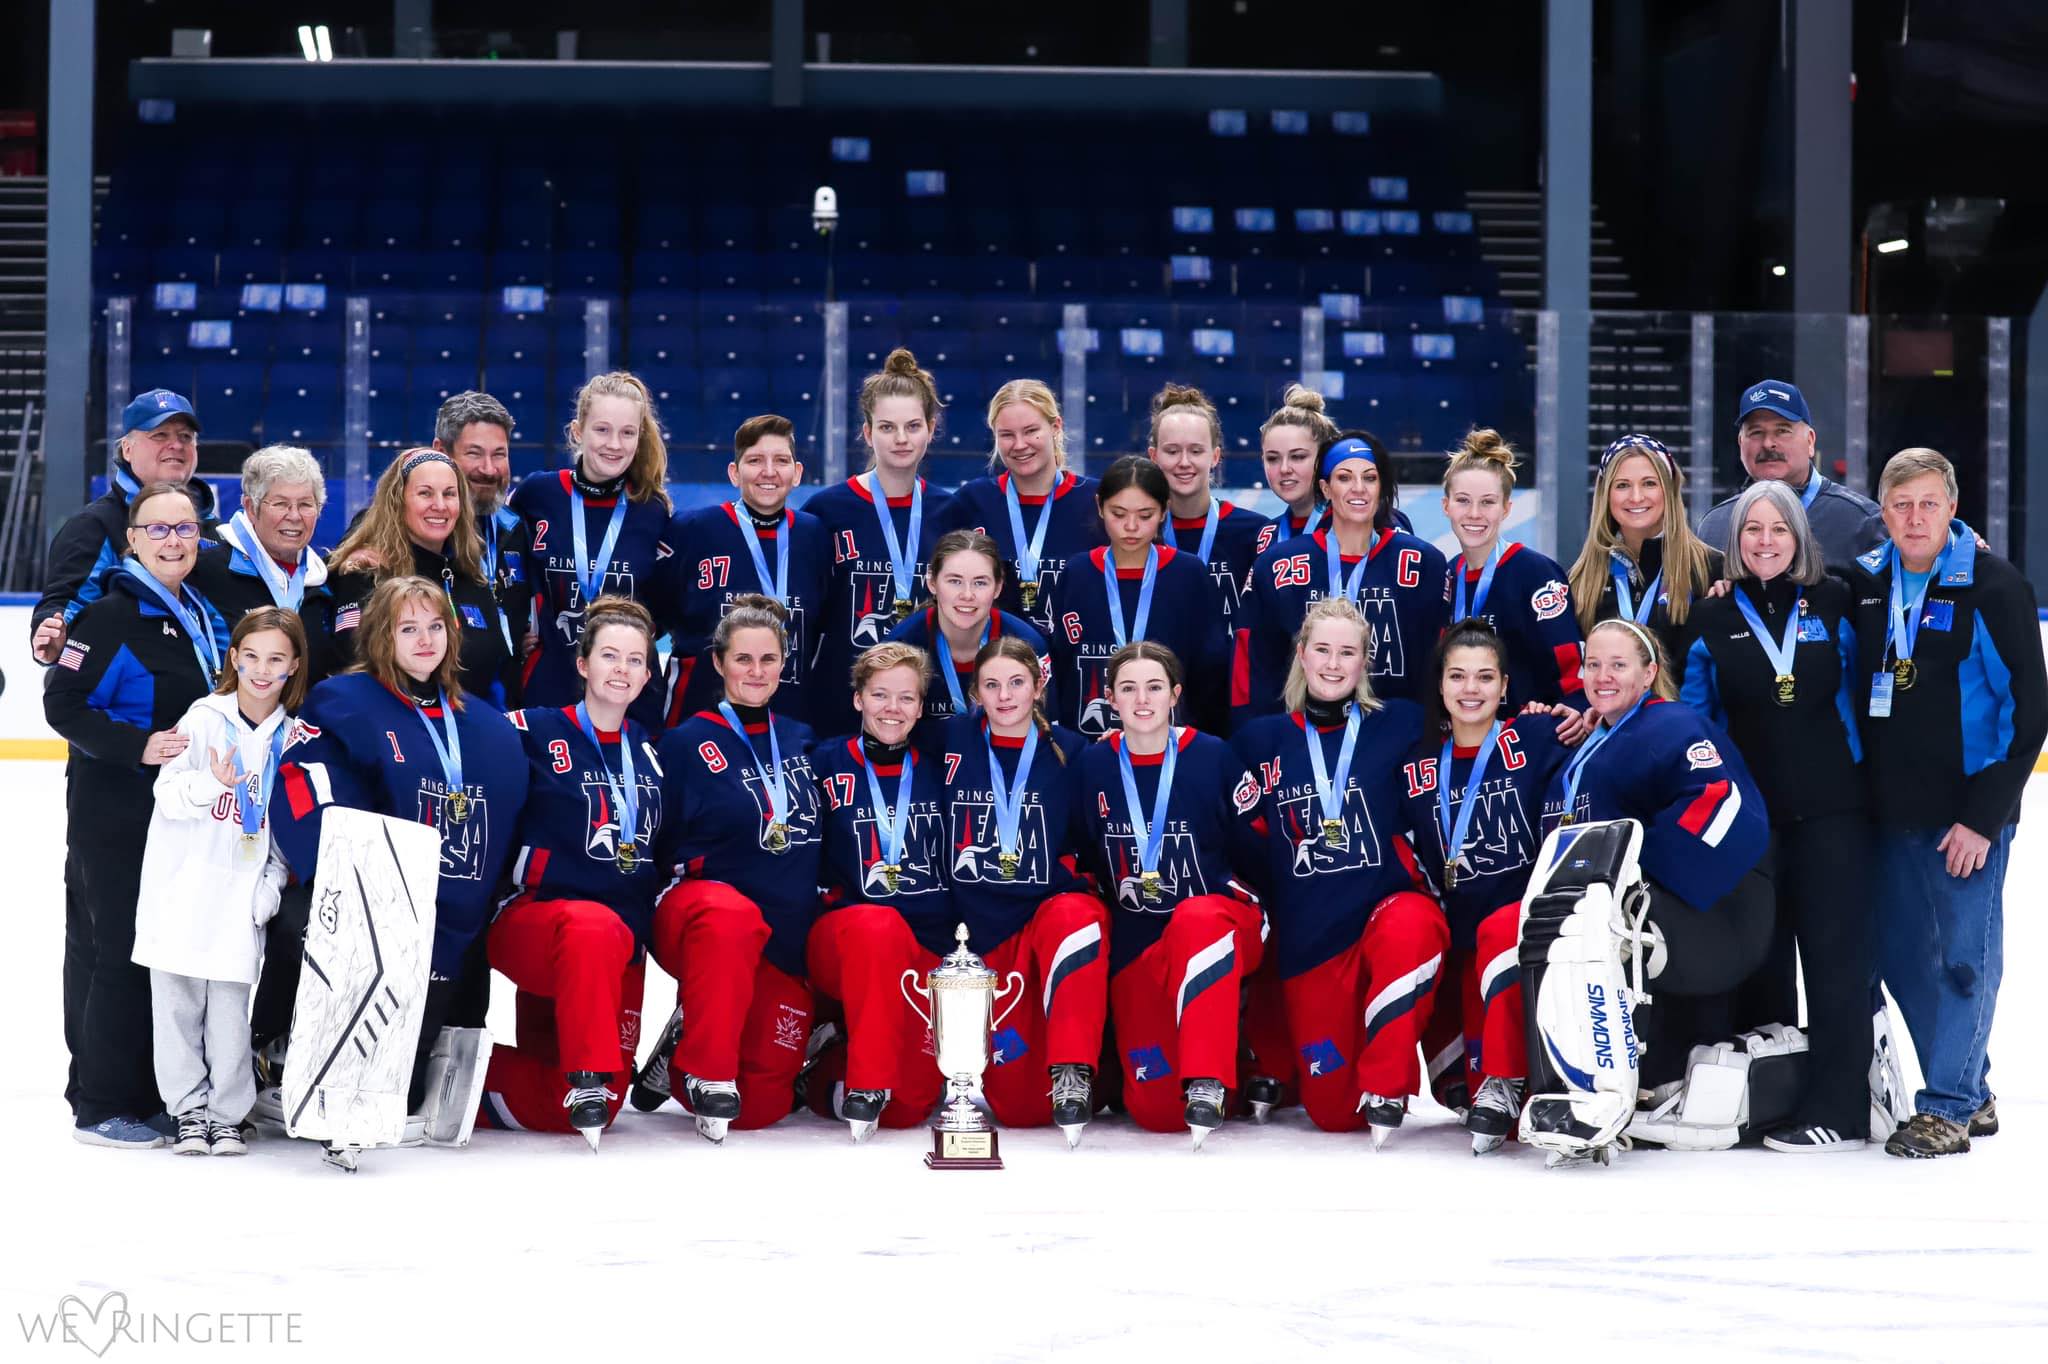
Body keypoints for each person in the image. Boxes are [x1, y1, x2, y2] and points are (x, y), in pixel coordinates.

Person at [1846, 447, 2047, 1157]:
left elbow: (2028, 712)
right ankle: (1971, 1085)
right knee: (1903, 961)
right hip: (1890, 812)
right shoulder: (1865, 582)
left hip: (1966, 818)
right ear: (1883, 513)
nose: (1915, 517)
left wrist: (1983, 817)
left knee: (1964, 959)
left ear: (1953, 508)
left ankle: (1948, 1106)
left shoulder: (1994, 586)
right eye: (1901, 505)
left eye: (1928, 503)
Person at [271, 577, 530, 1115]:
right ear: (380, 635)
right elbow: (305, 788)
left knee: (400, 1096)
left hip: (451, 919)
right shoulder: (342, 702)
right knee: (345, 1079)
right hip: (368, 912)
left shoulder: (489, 726)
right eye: (408, 628)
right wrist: (349, 884)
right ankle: (278, 1048)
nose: (425, 640)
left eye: (435, 626)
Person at [1681, 481, 1875, 1152]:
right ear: (1734, 540)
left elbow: (1859, 699)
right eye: (1752, 529)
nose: (1765, 541)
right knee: (1761, 959)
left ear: (1800, 537)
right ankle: (1771, 1101)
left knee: (1834, 962)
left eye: (1779, 529)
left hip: (1832, 814)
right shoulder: (1710, 616)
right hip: (1752, 821)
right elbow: (1700, 726)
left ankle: (1840, 1109)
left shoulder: (1837, 600)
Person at [44, 482, 228, 1146]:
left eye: (185, 529)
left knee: (154, 951)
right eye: (158, 529)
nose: (173, 541)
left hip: (175, 812)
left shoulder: (198, 610)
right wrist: (136, 746)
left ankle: (145, 1093)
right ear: (132, 541)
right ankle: (100, 1104)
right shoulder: (108, 616)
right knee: (115, 950)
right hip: (115, 808)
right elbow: (63, 705)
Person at [1231, 599, 1449, 1146]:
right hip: (1312, 943)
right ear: (1301, 655)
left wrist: (1552, 715)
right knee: (1333, 1113)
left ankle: (1388, 1085)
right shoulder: (1260, 740)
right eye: (1323, 650)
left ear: (1365, 661)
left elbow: (1478, 726)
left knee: (1414, 925)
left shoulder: (1400, 723)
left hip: (1383, 913)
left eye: (1347, 652)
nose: (1333, 664)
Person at [1536, 620, 1773, 1093]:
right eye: (1593, 665)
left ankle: (1639, 1075)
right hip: (1611, 911)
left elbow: (1721, 801)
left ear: (1648, 674)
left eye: (1618, 665)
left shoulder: (1674, 725)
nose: (1603, 676)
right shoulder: (1591, 739)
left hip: (1708, 917)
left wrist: (1635, 868)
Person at [477, 596, 666, 1148]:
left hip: (619, 943)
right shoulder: (529, 730)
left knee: (597, 1109)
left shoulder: (652, 753)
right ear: (582, 664)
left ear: (647, 675)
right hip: (539, 922)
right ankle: (579, 1076)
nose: (621, 669)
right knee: (590, 928)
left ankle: (464, 1070)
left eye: (635, 660)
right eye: (609, 656)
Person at [635, 596, 824, 1140]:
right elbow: (657, 842)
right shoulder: (684, 743)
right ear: (718, 663)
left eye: (768, 659)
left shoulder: (803, 739)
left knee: (760, 1106)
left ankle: (685, 1034)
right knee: (728, 919)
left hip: (781, 936)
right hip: (709, 922)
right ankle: (706, 1065)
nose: (756, 671)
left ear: (784, 663)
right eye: (743, 659)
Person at [1072, 642, 1265, 1148]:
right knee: (1157, 1111)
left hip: (1216, 925)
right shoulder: (1093, 765)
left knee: (1197, 918)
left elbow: (1258, 848)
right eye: (1129, 688)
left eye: (1154, 687)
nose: (1142, 700)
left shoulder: (1213, 756)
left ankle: (1210, 1075)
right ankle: (1225, 1055)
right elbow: (1086, 850)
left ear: (1175, 694)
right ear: (1110, 698)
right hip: (1140, 939)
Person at [133, 606, 308, 1156]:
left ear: (294, 665)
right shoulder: (204, 719)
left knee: (230, 1012)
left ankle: (228, 1115)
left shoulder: (294, 736)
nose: (262, 670)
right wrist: (212, 781)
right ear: (234, 658)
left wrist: (271, 884)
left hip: (241, 893)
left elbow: (285, 828)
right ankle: (188, 1111)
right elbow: (167, 794)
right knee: (178, 1007)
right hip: (182, 888)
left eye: (276, 659)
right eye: (251, 656)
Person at [1400, 621, 1574, 1153]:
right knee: (1458, 1093)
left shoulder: (1536, 737)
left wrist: (1574, 715)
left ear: (1504, 686)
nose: (1470, 689)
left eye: (1484, 677)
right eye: (1457, 676)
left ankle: (1505, 1077)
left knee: (1503, 1104)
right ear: (1440, 685)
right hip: (1458, 938)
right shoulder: (1417, 765)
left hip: (1521, 932)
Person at [930, 636, 1109, 1144]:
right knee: (1021, 1108)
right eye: (991, 685)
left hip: (1045, 920)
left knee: (1079, 915)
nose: (1005, 696)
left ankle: (1073, 1067)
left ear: (1038, 687)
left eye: (1016, 683)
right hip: (980, 937)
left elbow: (1092, 838)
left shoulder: (1073, 751)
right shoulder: (946, 739)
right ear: (975, 693)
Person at [801, 643, 956, 1139]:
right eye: (880, 695)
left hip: (923, 946)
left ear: (921, 706)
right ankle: (865, 1082)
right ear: (858, 699)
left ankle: (825, 1063)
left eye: (906, 698)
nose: (893, 708)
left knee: (908, 1107)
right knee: (878, 925)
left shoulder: (942, 768)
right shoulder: (822, 763)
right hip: (849, 936)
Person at [1235, 430, 1447, 724]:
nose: (1358, 488)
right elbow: (1254, 667)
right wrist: (1256, 735)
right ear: (1325, 488)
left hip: (1394, 737)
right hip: (1303, 738)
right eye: (1345, 478)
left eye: (1370, 478)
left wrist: (1431, 733)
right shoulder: (1277, 565)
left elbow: (1436, 663)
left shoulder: (1423, 563)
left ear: (1381, 486)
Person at [509, 372, 674, 729]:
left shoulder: (653, 510)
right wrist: (512, 629)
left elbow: (666, 606)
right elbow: (497, 564)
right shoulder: (536, 495)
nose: (614, 444)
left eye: (627, 432)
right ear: (577, 431)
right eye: (602, 430)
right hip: (548, 690)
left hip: (629, 699)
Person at [804, 348, 955, 736]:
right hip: (840, 708)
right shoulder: (826, 511)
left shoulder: (951, 513)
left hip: (924, 708)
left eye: (913, 426)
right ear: (868, 433)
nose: (901, 439)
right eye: (887, 427)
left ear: (931, 428)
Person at [664, 414, 831, 724]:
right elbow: (658, 616)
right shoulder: (692, 529)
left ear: (797, 473)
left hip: (788, 723)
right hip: (700, 719)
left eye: (781, 460)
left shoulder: (815, 536)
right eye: (755, 460)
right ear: (734, 473)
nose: (769, 471)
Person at [32, 388, 218, 666]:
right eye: (160, 435)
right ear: (127, 449)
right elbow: (65, 608)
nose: (176, 445)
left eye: (185, 437)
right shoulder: (94, 526)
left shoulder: (213, 528)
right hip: (129, 685)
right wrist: (55, 637)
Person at [327, 448, 521, 708]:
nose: (440, 505)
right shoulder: (368, 572)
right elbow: (353, 662)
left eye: (449, 494)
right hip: (394, 724)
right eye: (425, 493)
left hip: (470, 722)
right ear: (398, 500)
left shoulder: (472, 573)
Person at [1048, 456, 1227, 737]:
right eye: (1118, 514)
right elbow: (1061, 666)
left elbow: (1209, 673)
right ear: (1099, 506)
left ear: (1164, 511)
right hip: (1090, 745)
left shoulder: (1188, 573)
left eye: (1145, 515)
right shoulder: (1077, 572)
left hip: (1172, 746)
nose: (1131, 526)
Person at [940, 378, 1104, 638]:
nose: (1019, 444)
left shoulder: (1096, 501)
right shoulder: (972, 501)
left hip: (1077, 659)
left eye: (1030, 431)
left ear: (1056, 427)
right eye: (1007, 434)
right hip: (995, 660)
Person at [1439, 429, 1586, 716]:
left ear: (1506, 508)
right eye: (1463, 500)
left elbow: (1568, 663)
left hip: (1522, 731)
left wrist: (1574, 708)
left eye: (1488, 502)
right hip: (1461, 730)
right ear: (1446, 506)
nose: (1474, 513)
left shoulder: (1536, 573)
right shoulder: (1448, 575)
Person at [1567, 434, 1721, 674]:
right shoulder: (1580, 581)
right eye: (1622, 485)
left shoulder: (1713, 570)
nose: (1636, 497)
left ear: (1668, 489)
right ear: (1606, 494)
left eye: (1649, 483)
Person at [1695, 379, 1885, 571]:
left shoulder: (1862, 523)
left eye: (1782, 431)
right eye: (1756, 432)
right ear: (1740, 443)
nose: (1768, 443)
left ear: (1810, 441)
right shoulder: (1715, 526)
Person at [190, 445, 338, 680]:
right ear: (251, 508)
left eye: (305, 504)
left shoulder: (327, 580)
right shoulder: (204, 573)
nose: (294, 516)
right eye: (280, 504)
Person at [886, 529, 1053, 725]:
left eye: (980, 583)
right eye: (955, 581)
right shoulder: (900, 645)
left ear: (998, 587)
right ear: (932, 583)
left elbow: (1045, 732)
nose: (967, 595)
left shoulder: (1029, 645)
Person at [1148, 383, 1267, 641]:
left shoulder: (1255, 532)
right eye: (1172, 451)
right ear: (1154, 456)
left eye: (1196, 451)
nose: (1184, 462)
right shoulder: (1139, 532)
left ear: (1215, 456)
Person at [435, 391, 535, 676]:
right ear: (441, 453)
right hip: (439, 697)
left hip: (508, 697)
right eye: (474, 453)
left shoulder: (518, 528)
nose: (489, 469)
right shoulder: (413, 532)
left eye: (499, 454)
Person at [1251, 384, 1338, 555]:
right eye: (1272, 458)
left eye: (1298, 457)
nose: (1284, 469)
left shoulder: (1358, 528)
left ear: (1326, 458)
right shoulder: (1266, 537)